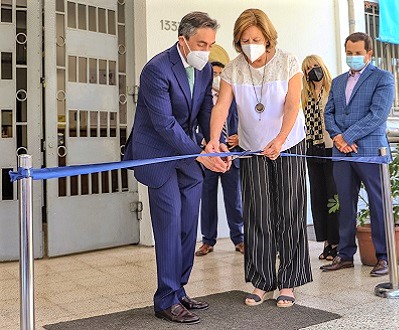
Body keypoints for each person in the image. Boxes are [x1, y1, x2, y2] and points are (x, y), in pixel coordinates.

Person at [124, 12, 228, 324]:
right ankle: (165, 299)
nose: (206, 51)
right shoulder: (156, 69)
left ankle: (179, 288)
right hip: (157, 153)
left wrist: (214, 142)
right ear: (183, 40)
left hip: (187, 155)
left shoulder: (206, 68)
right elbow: (165, 124)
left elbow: (207, 110)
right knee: (169, 224)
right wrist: (200, 153)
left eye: (210, 45)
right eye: (200, 44)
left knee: (187, 226)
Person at [205, 8, 312, 308]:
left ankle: (289, 282)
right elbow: (221, 108)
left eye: (256, 38)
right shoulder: (233, 69)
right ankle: (261, 280)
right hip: (252, 148)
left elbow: (292, 105)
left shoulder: (288, 62)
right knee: (258, 213)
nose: (251, 43)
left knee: (289, 213)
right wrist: (214, 139)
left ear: (268, 39)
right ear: (238, 42)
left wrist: (279, 139)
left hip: (288, 144)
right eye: (245, 39)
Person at [322, 32, 395, 277]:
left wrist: (347, 137)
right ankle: (344, 254)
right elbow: (328, 113)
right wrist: (337, 138)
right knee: (345, 203)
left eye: (357, 53)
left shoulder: (383, 78)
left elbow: (378, 115)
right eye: (349, 53)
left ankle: (384, 257)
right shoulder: (338, 81)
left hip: (370, 150)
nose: (353, 57)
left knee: (378, 203)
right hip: (342, 153)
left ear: (369, 53)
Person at [195, 61, 245, 256]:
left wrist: (240, 137)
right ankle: (208, 241)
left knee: (234, 200)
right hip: (208, 157)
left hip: (231, 157)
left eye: (219, 73)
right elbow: (192, 127)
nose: (216, 77)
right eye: (213, 73)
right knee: (207, 200)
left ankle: (239, 239)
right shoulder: (201, 100)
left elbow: (246, 122)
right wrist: (203, 141)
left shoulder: (234, 98)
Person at [301, 55, 339, 261]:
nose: (312, 71)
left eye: (315, 66)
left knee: (333, 194)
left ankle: (337, 243)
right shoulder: (303, 95)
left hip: (331, 148)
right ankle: (325, 242)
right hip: (312, 149)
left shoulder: (333, 90)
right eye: (308, 68)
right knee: (318, 196)